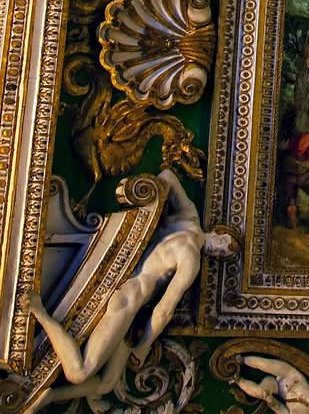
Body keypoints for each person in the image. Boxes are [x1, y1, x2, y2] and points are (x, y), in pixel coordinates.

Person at [29, 170, 237, 400]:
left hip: (130, 304)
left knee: (107, 384)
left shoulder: (188, 218)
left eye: (223, 252)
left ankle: (47, 399)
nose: (220, 250)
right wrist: (144, 346)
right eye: (225, 244)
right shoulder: (191, 258)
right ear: (217, 231)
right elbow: (164, 310)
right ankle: (39, 312)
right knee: (79, 372)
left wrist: (157, 198)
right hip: (129, 299)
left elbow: (167, 176)